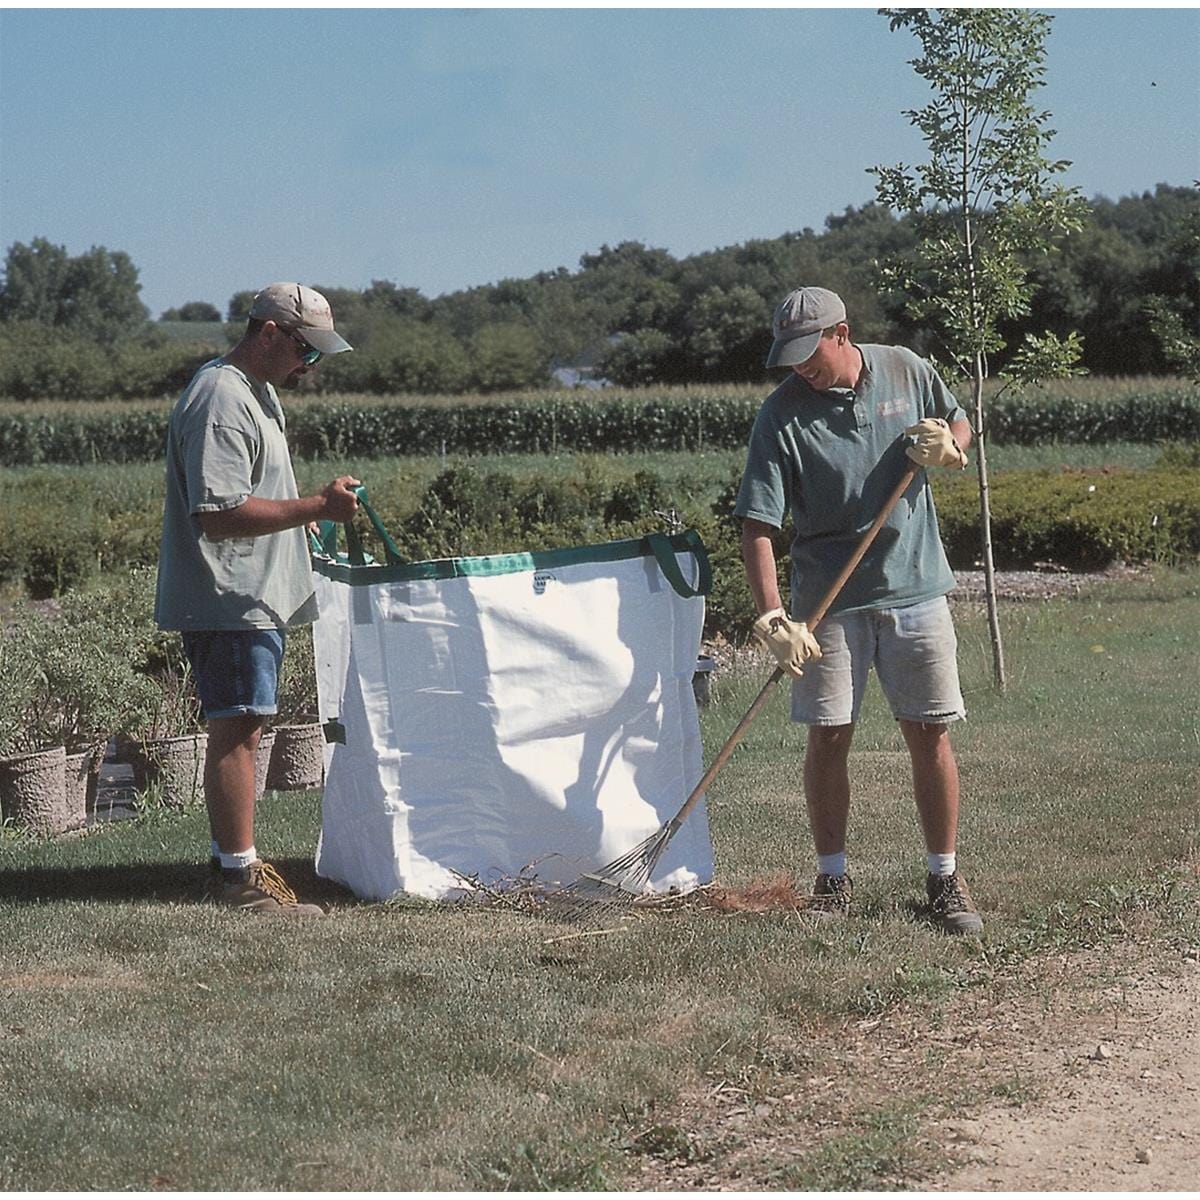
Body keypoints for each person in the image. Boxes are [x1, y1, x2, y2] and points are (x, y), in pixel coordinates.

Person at [734, 286, 983, 935]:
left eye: (809, 353)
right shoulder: (781, 414)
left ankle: (944, 878)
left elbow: (958, 422)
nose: (800, 369)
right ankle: (832, 877)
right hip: (828, 603)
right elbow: (757, 525)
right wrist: (773, 618)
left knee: (929, 731)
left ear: (843, 333)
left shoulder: (904, 367)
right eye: (789, 358)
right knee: (830, 735)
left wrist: (951, 445)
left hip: (913, 587)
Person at [155, 282, 360, 916]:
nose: (311, 365)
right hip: (230, 594)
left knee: (243, 722)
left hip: (252, 594)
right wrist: (315, 506)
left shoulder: (257, 391)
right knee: (238, 727)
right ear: (269, 332)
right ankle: (238, 883)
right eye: (307, 349)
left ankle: (233, 866)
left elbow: (253, 489)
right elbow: (217, 514)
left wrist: (302, 518)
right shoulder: (222, 397)